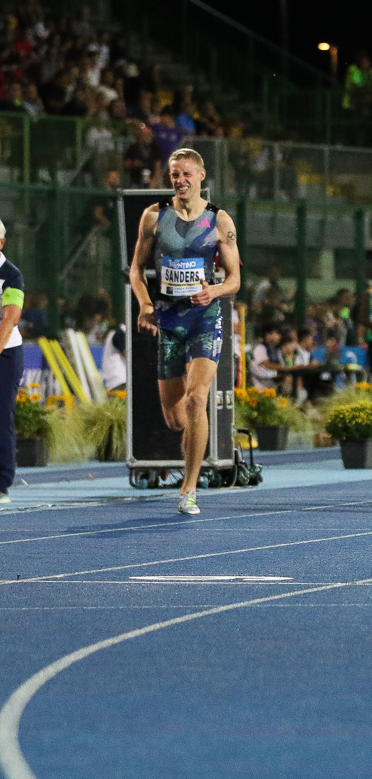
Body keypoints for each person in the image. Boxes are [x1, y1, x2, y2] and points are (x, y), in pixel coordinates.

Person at [127, 148, 242, 515]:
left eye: (186, 174)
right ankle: (191, 453)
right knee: (176, 419)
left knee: (197, 398)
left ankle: (188, 488)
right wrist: (145, 304)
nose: (179, 180)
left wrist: (215, 291)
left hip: (205, 317)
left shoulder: (219, 220)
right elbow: (135, 270)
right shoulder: (154, 217)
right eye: (174, 174)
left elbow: (235, 279)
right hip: (168, 319)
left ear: (201, 176)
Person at [0, 225, 28, 503]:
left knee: (1, 415)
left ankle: (1, 484)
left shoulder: (11, 275)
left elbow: (9, 319)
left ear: (1, 243)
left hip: (5, 354)